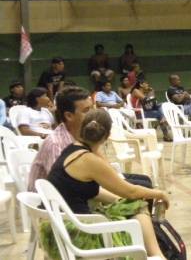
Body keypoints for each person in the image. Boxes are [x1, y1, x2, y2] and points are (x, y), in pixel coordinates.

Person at [43, 109, 169, 260]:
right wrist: (160, 193)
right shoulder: (89, 160)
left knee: (133, 205)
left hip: (59, 225)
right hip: (79, 233)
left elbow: (89, 191)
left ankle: (156, 255)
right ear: (108, 136)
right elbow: (131, 192)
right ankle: (157, 255)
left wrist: (122, 202)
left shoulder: (71, 150)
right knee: (139, 207)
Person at [28, 86, 151, 192]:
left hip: (84, 182)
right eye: (86, 111)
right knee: (141, 192)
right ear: (69, 116)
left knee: (145, 182)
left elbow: (101, 161)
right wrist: (122, 191)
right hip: (55, 202)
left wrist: (118, 179)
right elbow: (62, 186)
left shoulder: (83, 133)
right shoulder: (57, 144)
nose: (93, 114)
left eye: (92, 108)